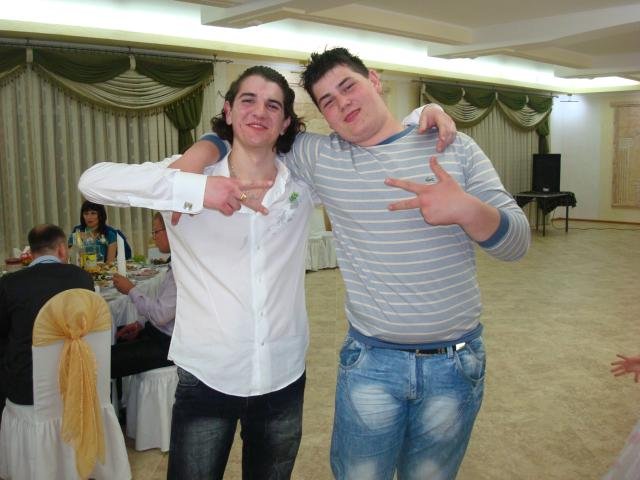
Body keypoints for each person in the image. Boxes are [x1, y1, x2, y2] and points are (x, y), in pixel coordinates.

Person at [78, 66, 456, 478]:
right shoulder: (185, 174)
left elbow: (368, 147)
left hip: (283, 374)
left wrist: (421, 114)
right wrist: (196, 189)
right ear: (228, 110)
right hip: (207, 373)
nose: (260, 112)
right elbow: (92, 182)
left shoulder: (302, 181)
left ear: (285, 122)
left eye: (273, 105)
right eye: (248, 101)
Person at [171, 47, 531, 479]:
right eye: (328, 101)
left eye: (349, 87)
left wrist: (469, 210)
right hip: (372, 363)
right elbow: (252, 131)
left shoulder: (453, 146)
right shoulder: (322, 156)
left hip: (455, 363)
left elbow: (517, 243)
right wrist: (201, 151)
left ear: (374, 81)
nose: (342, 104)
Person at [0, 224, 94, 419]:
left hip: (28, 386)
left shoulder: (10, 284)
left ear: (31, 252)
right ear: (62, 249)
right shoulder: (82, 278)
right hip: (74, 377)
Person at [110, 212, 175, 379]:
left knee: (106, 360)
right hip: (159, 333)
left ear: (170, 231)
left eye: (156, 232)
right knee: (112, 339)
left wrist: (131, 290)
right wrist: (140, 324)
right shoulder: (175, 262)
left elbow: (161, 315)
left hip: (168, 344)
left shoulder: (181, 269)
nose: (154, 237)